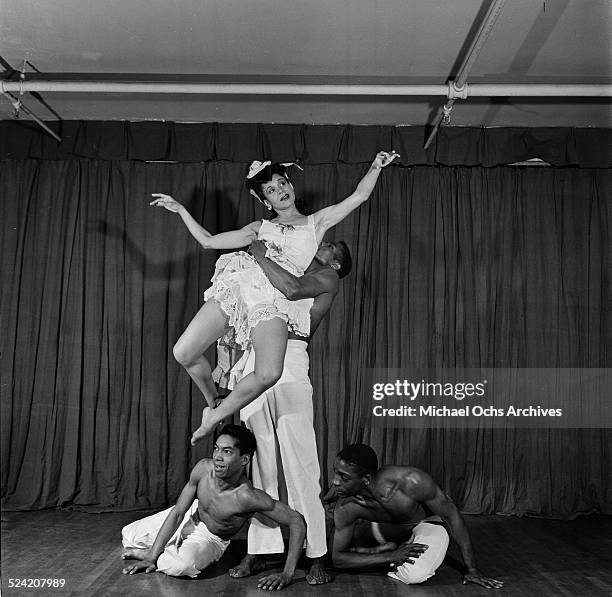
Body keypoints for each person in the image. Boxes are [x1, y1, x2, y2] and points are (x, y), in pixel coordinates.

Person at [150, 151, 398, 444]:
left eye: (282, 184)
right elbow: (208, 241)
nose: (279, 191)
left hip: (273, 298)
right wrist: (180, 209)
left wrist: (375, 166)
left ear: (291, 186)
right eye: (271, 190)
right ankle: (214, 401)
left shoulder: (315, 224)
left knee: (269, 373)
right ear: (265, 201)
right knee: (184, 353)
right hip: (242, 286)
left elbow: (359, 196)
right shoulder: (258, 228)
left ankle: (216, 415)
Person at [226, 238, 351, 586]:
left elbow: (292, 290)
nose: (319, 246)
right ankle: (260, 549)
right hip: (256, 357)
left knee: (301, 463)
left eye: (328, 247)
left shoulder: (328, 278)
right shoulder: (285, 266)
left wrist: (261, 254)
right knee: (261, 460)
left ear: (336, 263)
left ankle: (317, 555)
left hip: (292, 358)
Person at [121, 424, 305, 591]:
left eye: (227, 451)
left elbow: (296, 521)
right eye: (216, 448)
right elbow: (178, 512)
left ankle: (156, 550)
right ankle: (156, 551)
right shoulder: (203, 469)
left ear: (244, 459)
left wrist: (287, 573)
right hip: (191, 515)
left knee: (181, 567)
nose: (217, 457)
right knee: (128, 535)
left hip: (210, 537)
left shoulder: (246, 496)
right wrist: (152, 557)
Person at [328, 444, 504, 589]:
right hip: (388, 529)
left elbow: (452, 516)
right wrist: (389, 557)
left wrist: (472, 568)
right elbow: (338, 559)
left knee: (414, 575)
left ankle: (386, 550)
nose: (335, 481)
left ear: (366, 479)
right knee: (344, 543)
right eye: (335, 472)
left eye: (343, 477)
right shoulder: (346, 506)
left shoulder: (410, 481)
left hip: (426, 524)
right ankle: (388, 551)